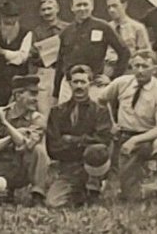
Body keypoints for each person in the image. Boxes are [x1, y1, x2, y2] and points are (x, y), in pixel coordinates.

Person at [97, 50, 157, 205]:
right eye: (136, 65)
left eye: (145, 66)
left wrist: (136, 140)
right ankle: (148, 188)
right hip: (125, 139)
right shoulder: (122, 83)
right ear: (131, 66)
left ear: (155, 69)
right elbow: (101, 99)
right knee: (130, 198)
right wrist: (110, 123)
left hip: (149, 139)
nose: (140, 70)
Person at [45, 65, 113, 208]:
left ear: (90, 84)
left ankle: (94, 187)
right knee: (52, 203)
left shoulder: (100, 111)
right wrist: (85, 141)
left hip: (91, 166)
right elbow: (53, 148)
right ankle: (78, 192)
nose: (79, 86)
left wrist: (72, 140)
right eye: (75, 82)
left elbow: (103, 140)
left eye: (83, 82)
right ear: (70, 84)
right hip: (68, 167)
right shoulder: (57, 112)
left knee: (96, 151)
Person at [0, 75, 48, 204]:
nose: (36, 99)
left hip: (24, 168)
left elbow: (27, 145)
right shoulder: (1, 113)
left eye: (36, 94)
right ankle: (5, 194)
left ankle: (37, 195)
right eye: (32, 94)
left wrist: (5, 124)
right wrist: (11, 137)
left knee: (38, 150)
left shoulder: (37, 118)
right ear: (18, 95)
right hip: (1, 166)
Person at [53, 0, 131, 104]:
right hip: (69, 85)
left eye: (85, 4)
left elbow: (124, 52)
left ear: (92, 5)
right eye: (78, 5)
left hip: (94, 84)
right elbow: (60, 62)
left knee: (95, 118)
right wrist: (56, 92)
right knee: (66, 119)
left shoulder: (103, 27)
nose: (82, 8)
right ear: (72, 7)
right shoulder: (66, 31)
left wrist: (112, 78)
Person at [30, 0, 69, 115]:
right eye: (43, 10)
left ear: (57, 9)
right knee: (45, 108)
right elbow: (33, 57)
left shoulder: (68, 28)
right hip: (47, 73)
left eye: (49, 8)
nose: (47, 12)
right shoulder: (37, 32)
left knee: (64, 106)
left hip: (65, 72)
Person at [104, 0, 150, 77]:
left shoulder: (137, 27)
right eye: (109, 7)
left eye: (115, 6)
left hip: (128, 70)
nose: (111, 10)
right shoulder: (106, 28)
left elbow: (146, 52)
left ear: (124, 5)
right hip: (109, 70)